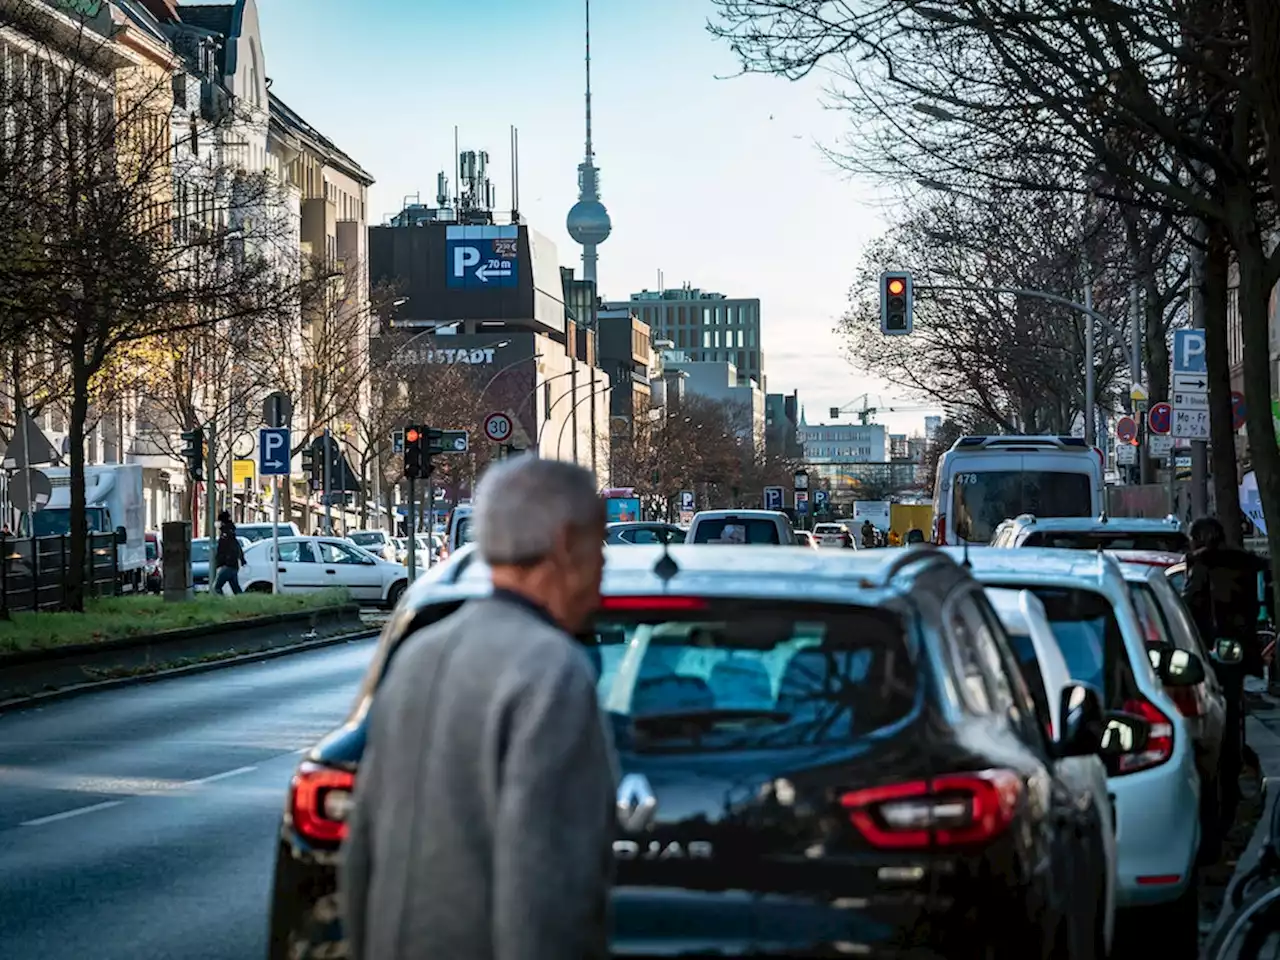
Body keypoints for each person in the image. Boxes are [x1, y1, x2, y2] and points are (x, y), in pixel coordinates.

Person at [341, 456, 617, 960]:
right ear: (564, 544)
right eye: (598, 545)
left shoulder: (416, 657)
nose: (604, 567)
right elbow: (545, 892)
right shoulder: (551, 671)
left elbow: (361, 851)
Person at [1182, 516, 1270, 846]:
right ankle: (1232, 781)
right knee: (1235, 712)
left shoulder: (1202, 565)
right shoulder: (1248, 563)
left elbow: (1190, 606)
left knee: (1220, 718)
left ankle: (1221, 785)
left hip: (1211, 653)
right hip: (1243, 652)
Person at [213, 512, 245, 595]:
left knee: (216, 588)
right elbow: (237, 547)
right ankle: (243, 602)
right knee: (236, 589)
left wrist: (224, 561)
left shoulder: (226, 534)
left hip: (228, 565)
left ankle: (221, 604)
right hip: (233, 565)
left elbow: (226, 549)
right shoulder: (230, 533)